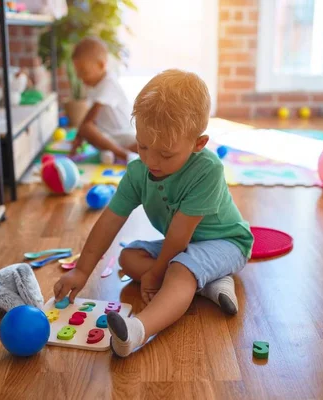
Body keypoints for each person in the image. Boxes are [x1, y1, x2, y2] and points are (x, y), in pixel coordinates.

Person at [54, 69, 253, 357]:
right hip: (188, 247)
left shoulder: (208, 169)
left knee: (178, 269)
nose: (151, 160)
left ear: (198, 143)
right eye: (143, 146)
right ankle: (209, 283)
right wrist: (82, 270)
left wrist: (156, 274)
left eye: (166, 154)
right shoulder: (139, 171)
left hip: (227, 242)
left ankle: (136, 332)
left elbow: (179, 236)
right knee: (129, 257)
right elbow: (111, 219)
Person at [70, 36, 138, 164]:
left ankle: (125, 155)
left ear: (101, 65)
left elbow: (89, 118)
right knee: (88, 130)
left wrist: (80, 135)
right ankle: (114, 154)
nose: (80, 77)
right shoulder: (92, 84)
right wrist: (80, 137)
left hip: (125, 134)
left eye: (83, 72)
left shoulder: (109, 83)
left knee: (86, 128)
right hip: (109, 137)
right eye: (77, 73)